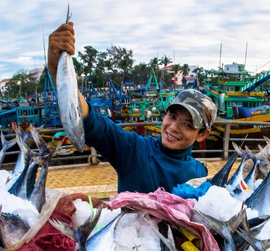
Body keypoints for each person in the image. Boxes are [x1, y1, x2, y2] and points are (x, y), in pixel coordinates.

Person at [47, 22, 217, 194]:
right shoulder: (134, 150)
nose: (173, 127)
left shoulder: (199, 174)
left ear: (203, 134)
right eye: (172, 116)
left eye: (187, 124)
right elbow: (92, 123)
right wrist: (56, 69)